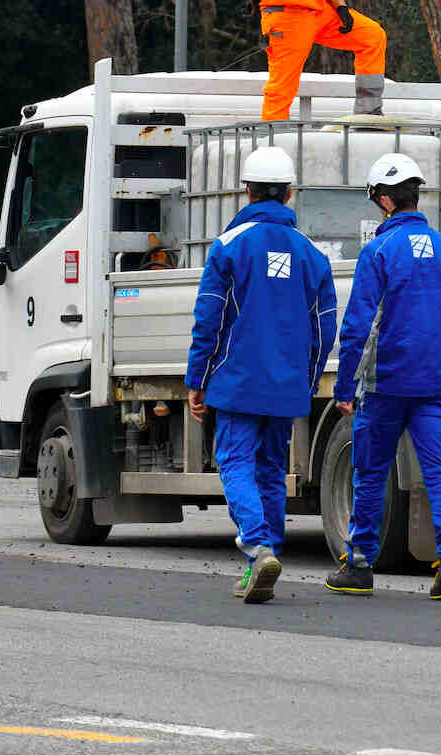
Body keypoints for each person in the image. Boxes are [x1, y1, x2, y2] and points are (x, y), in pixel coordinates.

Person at [325, 153, 441, 601]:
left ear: (387, 201)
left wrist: (344, 386)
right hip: (435, 386)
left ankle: (358, 565)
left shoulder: (378, 252)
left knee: (370, 474)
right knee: (440, 474)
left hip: (385, 386)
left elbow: (357, 325)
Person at [186, 146, 337, 604]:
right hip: (288, 385)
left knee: (234, 462)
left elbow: (208, 317)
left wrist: (197, 378)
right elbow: (324, 326)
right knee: (271, 471)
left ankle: (257, 544)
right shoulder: (313, 254)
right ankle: (260, 563)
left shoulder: (229, 247)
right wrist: (307, 380)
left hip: (236, 381)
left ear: (246, 192)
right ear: (290, 194)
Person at [259, 0, 386, 121]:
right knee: (284, 81)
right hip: (289, 13)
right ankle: (271, 131)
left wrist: (340, 6)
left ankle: (368, 114)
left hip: (321, 9)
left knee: (372, 36)